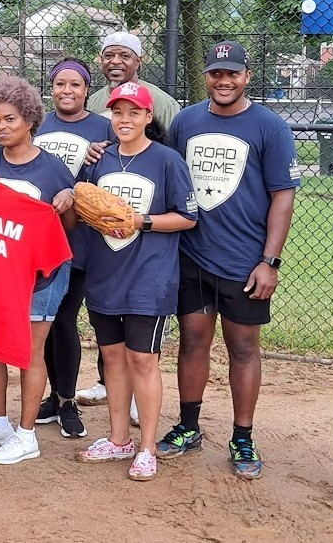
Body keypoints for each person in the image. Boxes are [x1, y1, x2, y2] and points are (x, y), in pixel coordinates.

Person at [158, 40, 299, 480]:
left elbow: (283, 196)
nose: (224, 81)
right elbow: (164, 169)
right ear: (207, 77)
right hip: (193, 256)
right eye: (216, 73)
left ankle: (243, 436)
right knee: (193, 341)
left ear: (247, 77)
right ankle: (189, 425)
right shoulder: (186, 121)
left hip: (244, 263)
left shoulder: (268, 126)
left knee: (242, 348)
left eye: (232, 74)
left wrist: (269, 262)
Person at [75, 82, 197, 481]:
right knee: (112, 357)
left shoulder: (166, 161)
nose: (124, 120)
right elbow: (80, 203)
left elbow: (188, 217)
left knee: (142, 359)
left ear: (148, 117)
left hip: (149, 277)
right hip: (105, 273)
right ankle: (118, 438)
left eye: (133, 112)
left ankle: (146, 446)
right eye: (118, 112)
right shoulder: (100, 159)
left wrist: (140, 221)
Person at [0, 77, 76, 465]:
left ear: (29, 120)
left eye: (10, 119)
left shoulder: (52, 168)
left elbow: (67, 228)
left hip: (41, 277)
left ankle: (27, 435)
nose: (2, 127)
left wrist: (68, 199)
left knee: (27, 350)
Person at [79, 31, 179, 412]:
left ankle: (139, 393)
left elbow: (171, 148)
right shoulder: (95, 100)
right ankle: (108, 382)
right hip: (107, 216)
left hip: (147, 207)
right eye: (109, 55)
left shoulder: (163, 101)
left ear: (139, 60)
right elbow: (97, 145)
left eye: (124, 55)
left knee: (140, 328)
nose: (115, 61)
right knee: (108, 312)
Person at [32, 57, 114, 439]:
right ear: (51, 88)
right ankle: (49, 396)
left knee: (64, 318)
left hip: (79, 239)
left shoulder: (103, 126)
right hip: (38, 238)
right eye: (60, 84)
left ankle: (66, 400)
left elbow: (115, 174)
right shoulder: (37, 123)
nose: (67, 90)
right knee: (41, 322)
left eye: (75, 84)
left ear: (87, 89)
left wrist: (102, 157)